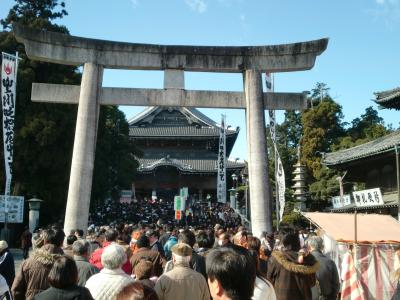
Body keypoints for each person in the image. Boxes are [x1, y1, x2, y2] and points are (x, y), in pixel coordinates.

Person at [266, 228, 319, 300]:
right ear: (298, 241)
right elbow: (312, 283)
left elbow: (269, 282)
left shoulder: (276, 259)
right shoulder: (308, 260)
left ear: (283, 242)